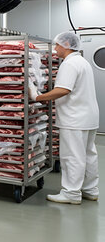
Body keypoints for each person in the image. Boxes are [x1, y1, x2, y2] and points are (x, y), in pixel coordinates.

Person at [29, 31, 99, 205]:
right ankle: (90, 189)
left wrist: (37, 97)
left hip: (75, 118)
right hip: (89, 117)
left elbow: (63, 89)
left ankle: (72, 193)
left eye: (57, 45)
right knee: (89, 154)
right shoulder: (82, 61)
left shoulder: (69, 64)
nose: (55, 49)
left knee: (72, 156)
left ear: (66, 45)